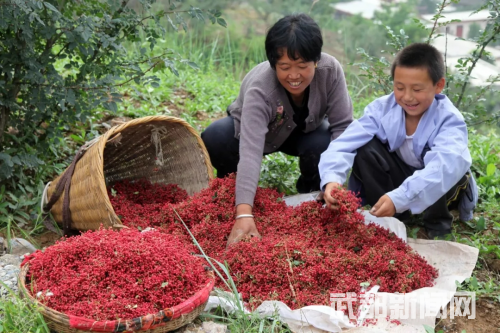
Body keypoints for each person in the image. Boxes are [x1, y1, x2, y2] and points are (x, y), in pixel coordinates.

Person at [201, 13, 353, 246]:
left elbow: (343, 126)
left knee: (323, 142)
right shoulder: (261, 89)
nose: (294, 76)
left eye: (302, 66)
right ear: (273, 65)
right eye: (284, 67)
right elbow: (250, 152)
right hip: (257, 134)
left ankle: (314, 192)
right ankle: (236, 192)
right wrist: (244, 214)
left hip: (305, 132)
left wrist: (333, 179)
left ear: (316, 61)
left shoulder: (330, 71)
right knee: (217, 137)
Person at [319, 43, 478, 239]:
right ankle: (393, 212)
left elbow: (442, 169)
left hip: (444, 181)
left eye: (417, 89)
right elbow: (345, 143)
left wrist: (400, 196)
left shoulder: (449, 120)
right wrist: (331, 179)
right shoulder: (382, 109)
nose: (408, 97)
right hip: (404, 174)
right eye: (399, 87)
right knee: (366, 148)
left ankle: (438, 224)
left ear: (438, 85)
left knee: (446, 170)